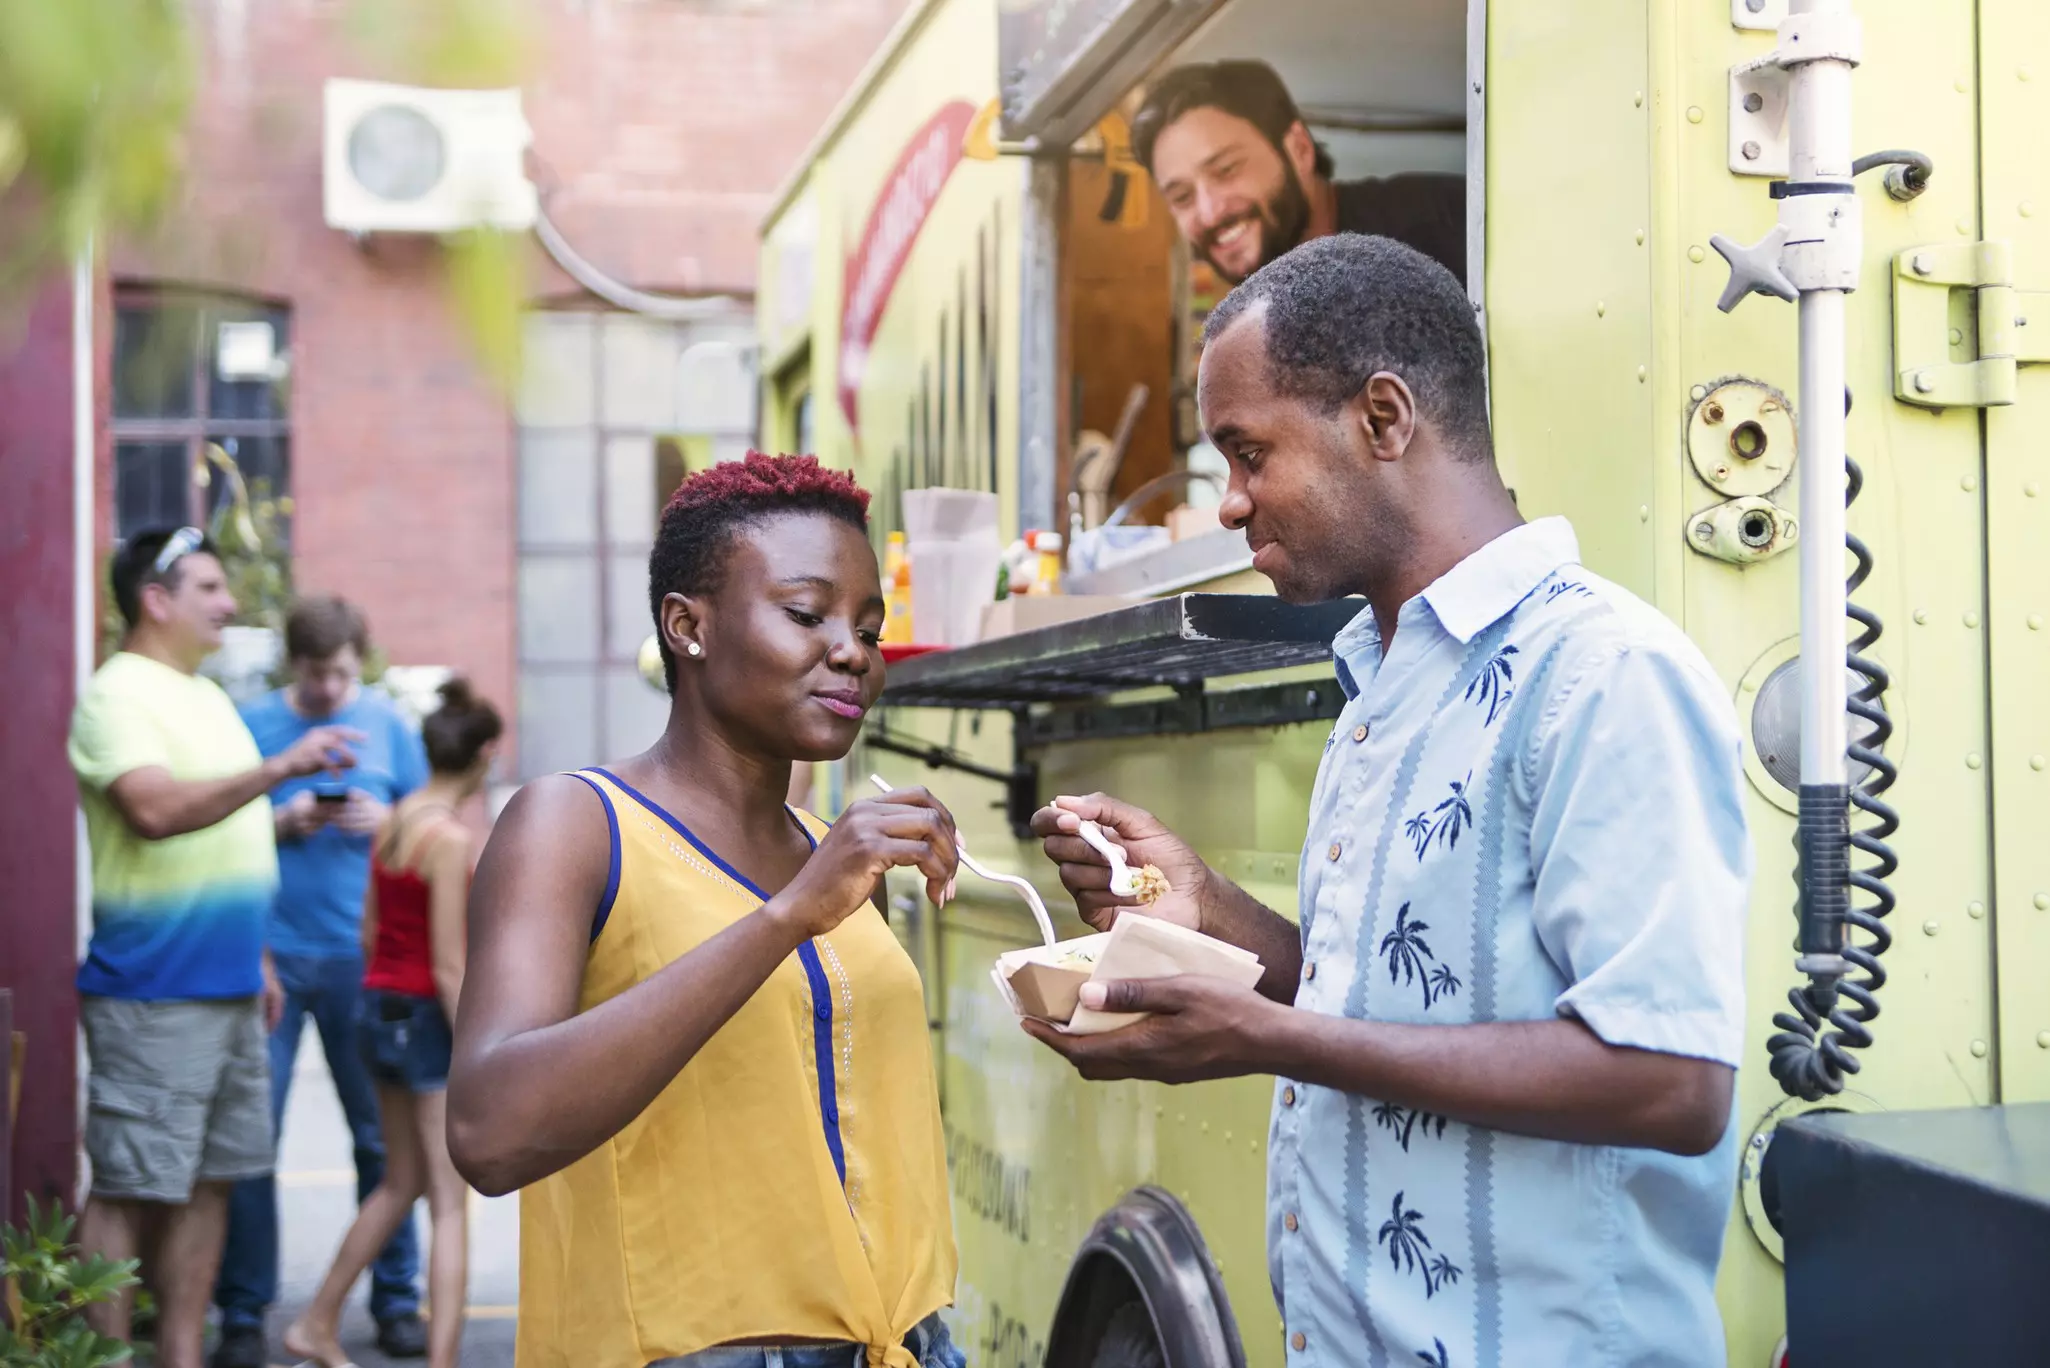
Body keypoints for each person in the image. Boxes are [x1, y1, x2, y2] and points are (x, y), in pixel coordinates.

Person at [1025, 236, 1750, 1366]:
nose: (1228, 505)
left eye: (1248, 451)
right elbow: (1391, 1002)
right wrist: (1210, 914)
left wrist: (1268, 1039)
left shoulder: (1601, 675)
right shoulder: (1383, 674)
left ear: (1382, 418)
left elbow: (1670, 1081)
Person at [445, 452, 966, 1368]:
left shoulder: (831, 853)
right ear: (687, 626)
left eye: (869, 628)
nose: (851, 651)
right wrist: (785, 918)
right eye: (807, 615)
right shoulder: (575, 824)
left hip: (904, 1341)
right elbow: (489, 1133)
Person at [68, 526, 359, 1368]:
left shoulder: (202, 695)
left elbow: (231, 845)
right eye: (209, 588)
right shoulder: (118, 695)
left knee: (210, 1182)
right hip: (154, 989)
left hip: (231, 984)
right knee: (130, 1185)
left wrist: (260, 958)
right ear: (156, 600)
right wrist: (279, 770)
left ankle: (181, 1359)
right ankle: (107, 1361)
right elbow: (154, 812)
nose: (230, 604)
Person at [213, 597, 429, 1368]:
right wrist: (282, 817)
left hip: (361, 956)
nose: (331, 688)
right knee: (253, 1138)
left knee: (382, 1139)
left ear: (358, 663)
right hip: (269, 951)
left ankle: (396, 1300)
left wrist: (385, 819)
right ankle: (243, 1312)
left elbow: (434, 816)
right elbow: (215, 820)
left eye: (342, 673)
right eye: (316, 674)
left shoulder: (391, 725)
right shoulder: (252, 726)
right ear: (293, 667)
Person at [284, 678, 503, 1368]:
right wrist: (479, 1048)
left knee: (399, 1181)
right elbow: (447, 965)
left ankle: (316, 1322)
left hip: (376, 1007)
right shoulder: (447, 840)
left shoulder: (393, 820)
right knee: (447, 1201)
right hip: (423, 1019)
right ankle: (442, 1362)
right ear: (486, 756)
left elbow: (369, 930)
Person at [1131, 59, 1466, 287]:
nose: (1209, 212)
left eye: (1226, 169)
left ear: (1299, 150)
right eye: (1182, 197)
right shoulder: (1259, 325)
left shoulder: (1451, 227)